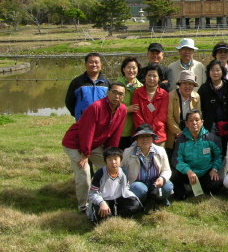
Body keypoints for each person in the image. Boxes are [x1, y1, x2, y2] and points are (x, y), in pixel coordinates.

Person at [62, 82, 127, 213]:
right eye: (114, 92)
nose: (117, 96)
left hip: (94, 144)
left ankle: (109, 197)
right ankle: (83, 207)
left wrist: (111, 154)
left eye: (120, 94)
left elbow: (116, 133)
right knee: (84, 173)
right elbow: (87, 131)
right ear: (108, 92)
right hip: (75, 143)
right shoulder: (96, 107)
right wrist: (85, 154)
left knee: (110, 166)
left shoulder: (122, 109)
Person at [172, 110, 223, 199]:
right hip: (188, 173)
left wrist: (214, 169)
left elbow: (218, 156)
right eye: (191, 120)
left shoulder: (211, 138)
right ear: (186, 123)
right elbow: (176, 159)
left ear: (202, 122)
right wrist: (188, 171)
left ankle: (200, 188)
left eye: (197, 120)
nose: (194, 123)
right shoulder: (181, 140)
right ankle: (185, 189)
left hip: (205, 172)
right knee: (174, 175)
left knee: (216, 185)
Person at [122, 124, 174, 209]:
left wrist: (162, 179)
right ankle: (142, 202)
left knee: (168, 186)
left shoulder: (160, 151)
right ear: (136, 139)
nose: (145, 139)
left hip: (155, 184)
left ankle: (159, 199)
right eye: (141, 136)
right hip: (138, 184)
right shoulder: (127, 152)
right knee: (138, 188)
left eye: (148, 136)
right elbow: (122, 172)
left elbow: (167, 170)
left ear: (153, 138)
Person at [87, 147, 141, 223]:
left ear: (121, 160)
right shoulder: (100, 173)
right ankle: (109, 217)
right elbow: (92, 194)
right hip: (104, 201)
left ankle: (115, 216)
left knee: (134, 204)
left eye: (116, 159)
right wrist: (102, 203)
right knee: (100, 214)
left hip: (118, 200)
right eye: (109, 159)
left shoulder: (124, 172)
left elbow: (126, 188)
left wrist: (134, 198)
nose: (113, 162)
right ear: (105, 161)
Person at [65, 52, 111, 121]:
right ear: (85, 64)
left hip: (102, 121)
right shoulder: (77, 82)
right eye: (91, 62)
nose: (94, 64)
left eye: (96, 62)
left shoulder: (107, 83)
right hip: (83, 120)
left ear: (101, 65)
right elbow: (69, 102)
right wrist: (78, 114)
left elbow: (112, 102)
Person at [199, 59, 228, 150]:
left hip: (227, 125)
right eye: (212, 70)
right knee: (211, 152)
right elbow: (199, 108)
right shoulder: (204, 88)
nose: (215, 72)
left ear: (223, 72)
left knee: (226, 152)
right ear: (208, 72)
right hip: (210, 126)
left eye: (218, 70)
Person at [133, 63, 169, 146]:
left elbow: (162, 115)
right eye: (149, 75)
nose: (151, 78)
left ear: (159, 78)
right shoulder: (137, 93)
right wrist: (144, 131)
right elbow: (136, 114)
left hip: (158, 135)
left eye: (155, 76)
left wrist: (151, 131)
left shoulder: (164, 94)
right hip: (141, 134)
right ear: (145, 76)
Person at [166, 70, 200, 158]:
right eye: (185, 83)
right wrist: (178, 132)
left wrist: (191, 132)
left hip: (190, 133)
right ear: (180, 84)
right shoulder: (171, 95)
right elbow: (169, 116)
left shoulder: (196, 97)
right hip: (174, 134)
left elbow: (197, 117)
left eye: (191, 84)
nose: (188, 86)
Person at [116, 56, 143, 149]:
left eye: (134, 68)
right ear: (123, 69)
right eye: (128, 67)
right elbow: (110, 106)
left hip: (136, 130)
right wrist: (126, 109)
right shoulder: (116, 86)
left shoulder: (141, 87)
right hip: (120, 130)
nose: (131, 70)